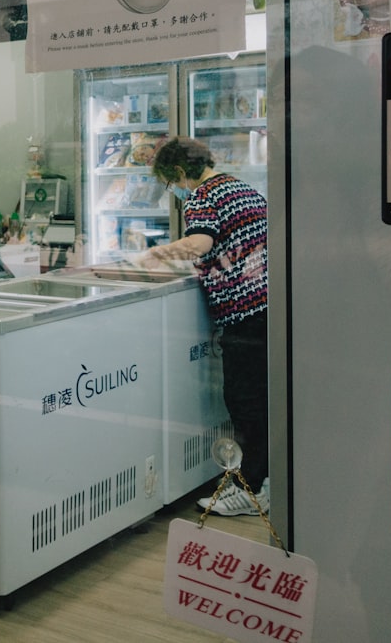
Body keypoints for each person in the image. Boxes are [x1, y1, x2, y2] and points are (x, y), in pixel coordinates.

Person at [138, 136, 269, 516]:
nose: (173, 190)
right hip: (269, 304)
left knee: (245, 401)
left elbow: (199, 242)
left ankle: (254, 488)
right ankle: (261, 477)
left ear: (179, 171)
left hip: (245, 313)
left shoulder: (203, 196)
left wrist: (152, 254)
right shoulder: (240, 187)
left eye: (169, 182)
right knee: (262, 399)